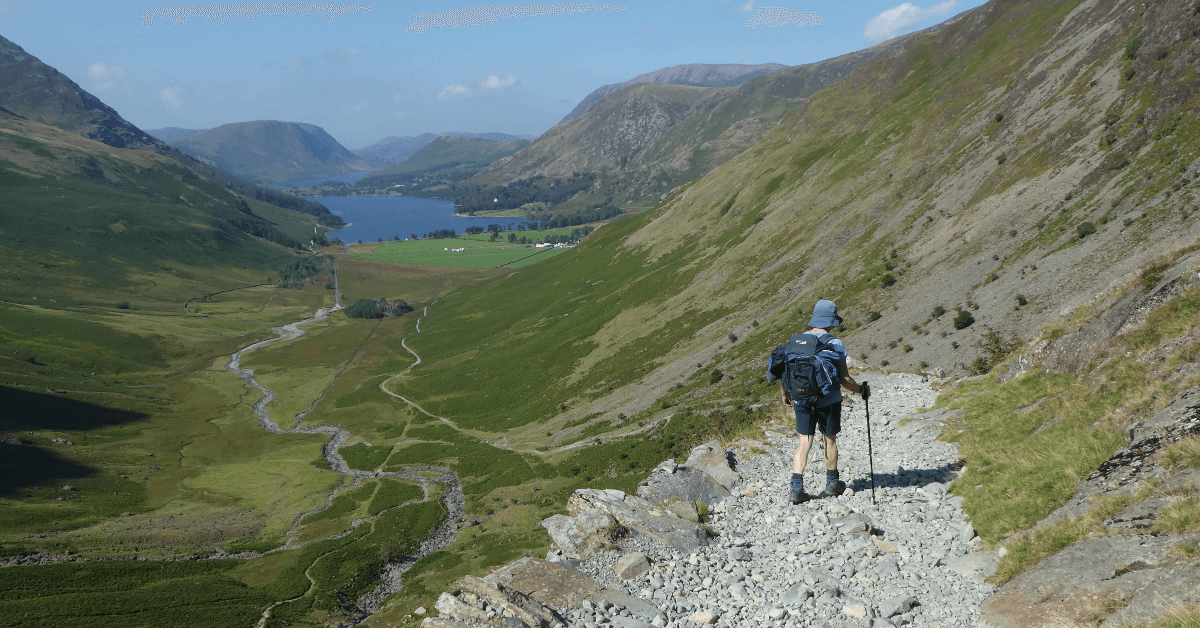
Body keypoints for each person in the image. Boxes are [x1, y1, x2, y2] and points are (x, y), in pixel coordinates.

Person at [770, 300, 869, 504]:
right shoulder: (835, 343)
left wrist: (785, 395)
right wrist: (861, 390)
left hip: (801, 399)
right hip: (828, 399)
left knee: (804, 442)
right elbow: (845, 379)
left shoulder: (795, 342)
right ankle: (833, 485)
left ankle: (796, 489)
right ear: (831, 321)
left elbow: (784, 373)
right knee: (829, 439)